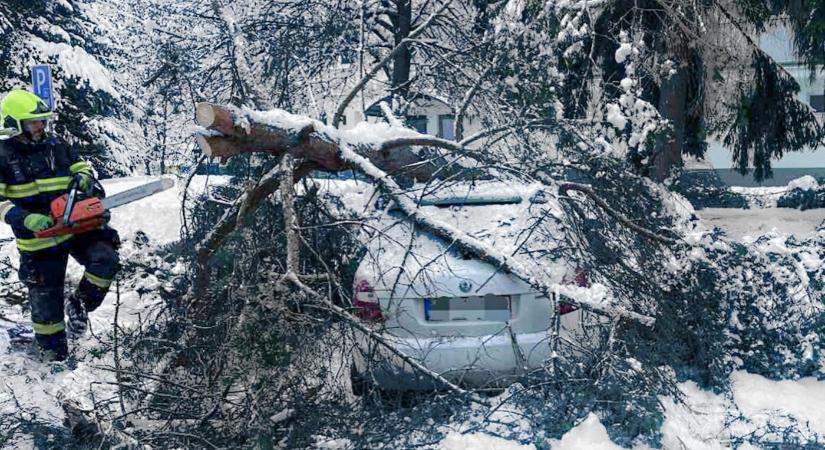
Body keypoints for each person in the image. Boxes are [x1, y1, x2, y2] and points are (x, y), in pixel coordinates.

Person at [0, 89, 120, 362]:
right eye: (34, 122)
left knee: (106, 260)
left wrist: (84, 179)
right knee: (47, 309)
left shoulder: (57, 145)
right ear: (13, 124)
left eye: (42, 121)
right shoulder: (3, 156)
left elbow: (81, 166)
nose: (40, 126)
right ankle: (53, 358)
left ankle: (80, 304)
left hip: (77, 225)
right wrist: (25, 218)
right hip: (38, 238)